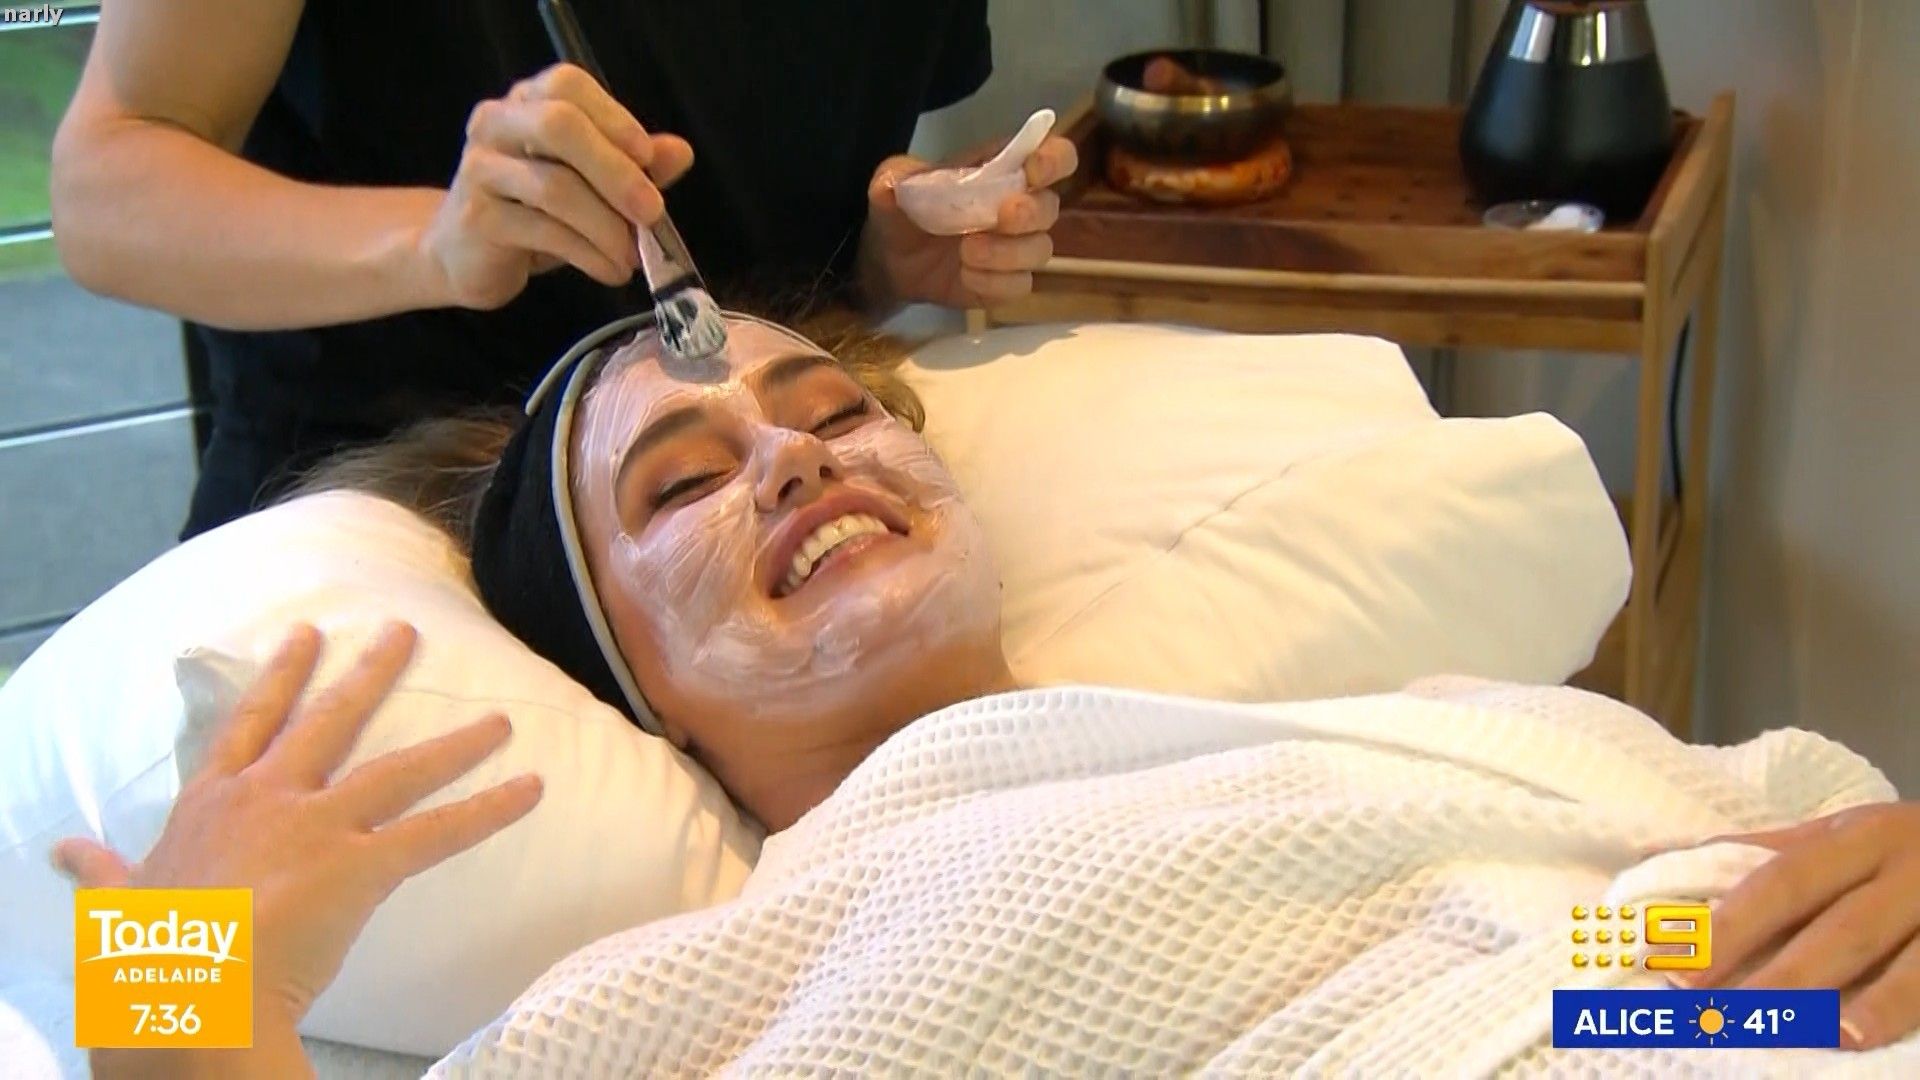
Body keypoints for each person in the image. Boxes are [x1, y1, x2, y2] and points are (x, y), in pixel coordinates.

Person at [61, 310, 1920, 1076]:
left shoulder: (1434, 726)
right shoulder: (730, 972)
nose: (792, 456)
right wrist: (178, 962)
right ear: (640, 695)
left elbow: (1616, 975)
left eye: (830, 409)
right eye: (682, 487)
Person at [49, 0, 1076, 540]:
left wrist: (878, 260)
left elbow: (772, 199)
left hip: (727, 504)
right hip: (390, 495)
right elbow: (104, 193)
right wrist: (435, 244)